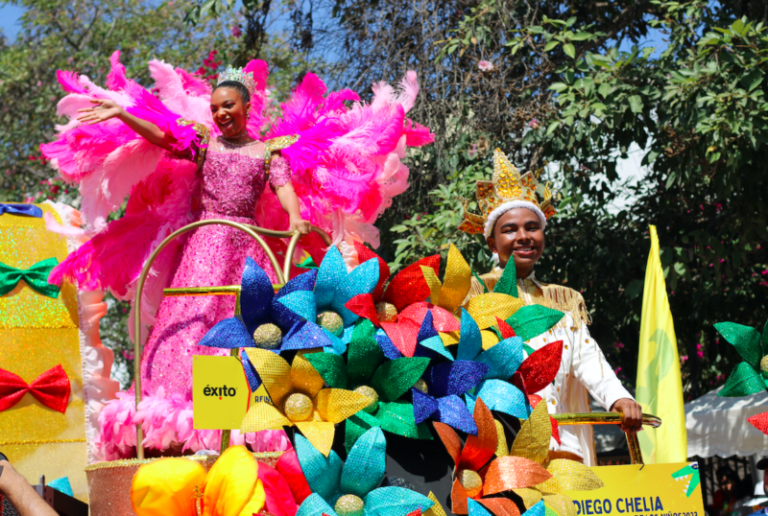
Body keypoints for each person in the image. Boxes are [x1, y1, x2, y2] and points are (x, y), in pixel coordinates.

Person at [42, 54, 433, 458]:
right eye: (214, 108)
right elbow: (162, 136)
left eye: (228, 105)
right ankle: (177, 417)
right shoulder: (203, 142)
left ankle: (238, 416)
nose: (220, 114)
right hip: (204, 245)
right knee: (193, 314)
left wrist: (296, 217)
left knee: (241, 320)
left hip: (248, 248)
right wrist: (122, 114)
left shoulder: (268, 152)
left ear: (246, 107)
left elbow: (283, 187)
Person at [459, 149, 643, 466]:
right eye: (509, 230)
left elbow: (588, 360)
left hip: (564, 450)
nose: (523, 237)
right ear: (491, 243)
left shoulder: (563, 300)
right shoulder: (472, 296)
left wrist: (620, 398)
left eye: (532, 227)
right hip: (502, 448)